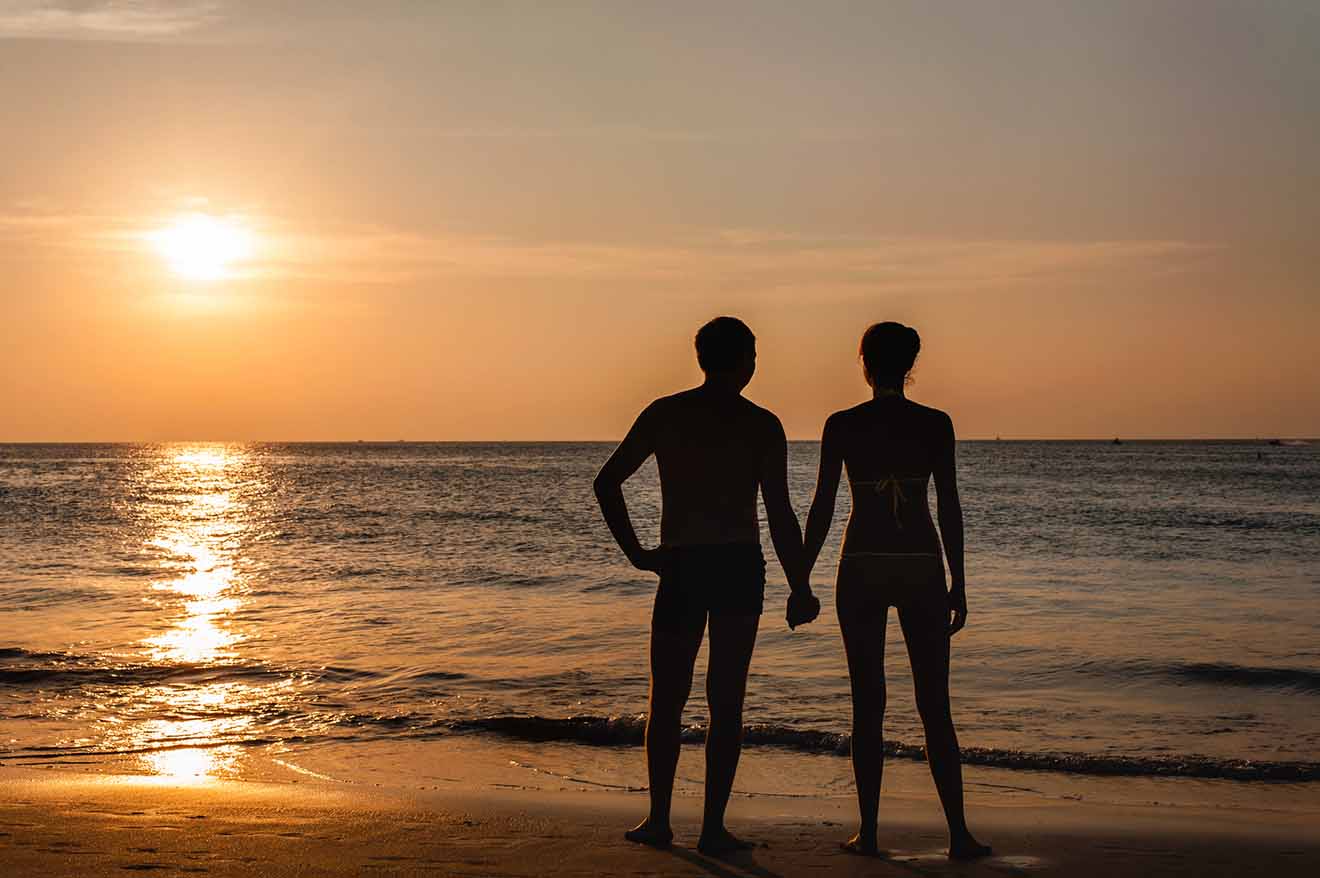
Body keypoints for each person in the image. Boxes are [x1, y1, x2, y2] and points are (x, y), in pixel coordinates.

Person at [593, 316, 821, 855]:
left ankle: (659, 820)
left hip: (682, 564)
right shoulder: (762, 425)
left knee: (668, 698)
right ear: (745, 361)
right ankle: (713, 828)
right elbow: (781, 515)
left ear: (702, 358)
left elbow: (607, 483)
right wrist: (800, 585)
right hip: (738, 565)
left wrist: (639, 555)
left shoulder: (667, 413)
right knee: (726, 701)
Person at [801, 321, 990, 860]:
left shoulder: (842, 425)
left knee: (868, 704)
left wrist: (801, 576)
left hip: (860, 564)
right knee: (935, 704)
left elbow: (821, 508)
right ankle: (958, 835)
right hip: (919, 565)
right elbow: (948, 505)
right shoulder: (935, 424)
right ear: (910, 365)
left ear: (863, 362)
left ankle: (870, 833)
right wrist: (960, 579)